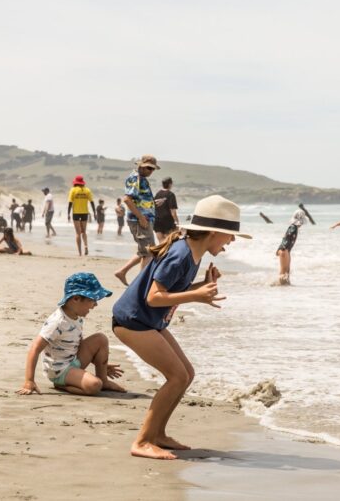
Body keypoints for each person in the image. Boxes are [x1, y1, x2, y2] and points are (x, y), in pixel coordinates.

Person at [112, 195, 252, 460]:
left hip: (148, 321)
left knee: (186, 373)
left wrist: (200, 286)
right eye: (230, 235)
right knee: (176, 377)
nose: (231, 241)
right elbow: (154, 297)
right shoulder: (180, 254)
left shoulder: (192, 252)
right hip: (132, 321)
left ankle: (159, 434)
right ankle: (141, 441)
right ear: (213, 232)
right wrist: (196, 296)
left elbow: (173, 290)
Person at [17, 272, 125, 396]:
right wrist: (29, 380)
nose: (95, 305)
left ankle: (104, 380)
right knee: (94, 386)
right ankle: (62, 385)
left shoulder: (76, 317)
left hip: (73, 360)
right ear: (76, 299)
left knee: (101, 338)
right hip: (60, 370)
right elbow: (34, 349)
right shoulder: (57, 322)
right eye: (93, 300)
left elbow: (78, 345)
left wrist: (100, 364)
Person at [114, 155, 160, 286]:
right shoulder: (135, 178)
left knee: (144, 252)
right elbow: (127, 199)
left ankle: (122, 272)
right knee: (149, 252)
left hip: (142, 219)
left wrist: (152, 203)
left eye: (153, 169)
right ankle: (141, 285)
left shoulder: (142, 178)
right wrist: (141, 217)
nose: (151, 171)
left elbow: (137, 200)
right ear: (140, 166)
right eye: (149, 168)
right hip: (140, 221)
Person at [275, 208, 307, 285]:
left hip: (286, 250)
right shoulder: (293, 227)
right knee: (284, 272)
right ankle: (280, 287)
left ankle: (286, 287)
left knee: (287, 272)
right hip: (284, 250)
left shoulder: (294, 227)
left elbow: (284, 238)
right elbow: (285, 239)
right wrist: (282, 250)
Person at [67, 176, 96, 256]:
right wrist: (94, 212)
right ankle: (86, 246)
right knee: (84, 231)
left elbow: (70, 203)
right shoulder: (87, 190)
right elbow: (92, 202)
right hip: (84, 213)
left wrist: (68, 214)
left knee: (78, 233)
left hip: (76, 213)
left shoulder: (73, 190)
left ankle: (80, 253)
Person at [153, 177, 179, 243]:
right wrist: (177, 222)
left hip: (157, 220)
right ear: (170, 184)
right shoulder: (171, 195)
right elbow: (173, 212)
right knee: (169, 242)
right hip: (168, 221)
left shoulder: (157, 194)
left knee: (161, 242)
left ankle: (162, 253)